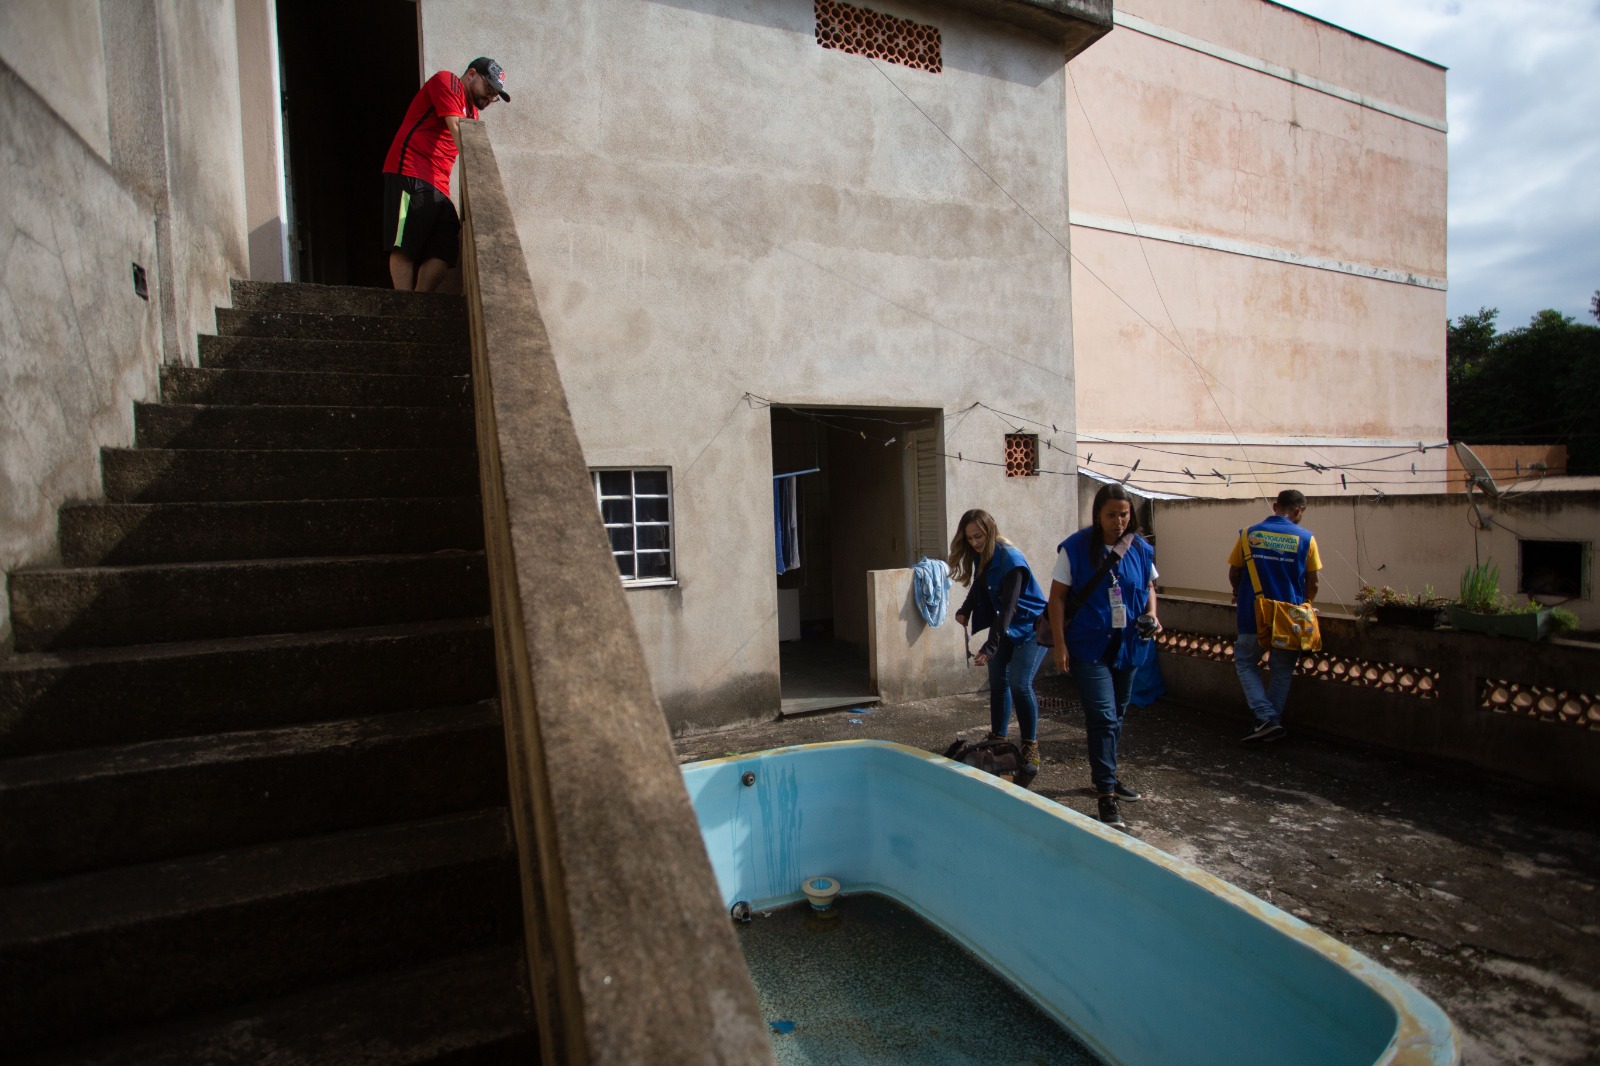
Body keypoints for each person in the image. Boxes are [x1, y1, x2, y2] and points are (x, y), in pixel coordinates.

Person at [1047, 484, 1160, 830]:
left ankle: (1104, 774)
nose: (1119, 521)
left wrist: (1153, 615)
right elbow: (1057, 599)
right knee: (1103, 715)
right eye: (1111, 515)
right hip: (1087, 648)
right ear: (1098, 514)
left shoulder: (1140, 548)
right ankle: (1106, 793)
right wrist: (1061, 645)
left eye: (1124, 514)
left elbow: (1150, 588)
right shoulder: (1077, 548)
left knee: (1118, 713)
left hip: (1128, 646)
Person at [382, 57, 511, 292]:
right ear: (471, 74)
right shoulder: (448, 82)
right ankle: (403, 305)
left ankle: (419, 303)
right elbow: (456, 130)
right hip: (409, 170)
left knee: (444, 249)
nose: (489, 98)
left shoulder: (473, 113)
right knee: (403, 244)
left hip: (438, 183)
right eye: (489, 89)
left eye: (494, 96)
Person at [950, 509, 1049, 776]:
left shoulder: (1011, 559)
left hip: (1031, 627)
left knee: (1019, 683)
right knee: (998, 680)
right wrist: (965, 610)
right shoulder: (982, 555)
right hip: (1006, 627)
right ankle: (998, 740)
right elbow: (980, 586)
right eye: (969, 538)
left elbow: (1009, 608)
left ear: (990, 531)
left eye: (978, 536)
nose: (974, 543)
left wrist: (989, 647)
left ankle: (1030, 744)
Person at [1227, 489, 1322, 744]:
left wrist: (1238, 592)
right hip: (1290, 618)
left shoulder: (1248, 534)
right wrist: (1307, 605)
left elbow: (1234, 572)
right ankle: (1270, 721)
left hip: (1252, 614)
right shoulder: (1306, 539)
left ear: (1274, 505)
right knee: (1281, 670)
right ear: (1299, 510)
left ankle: (1265, 718)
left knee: (1246, 662)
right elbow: (1313, 583)